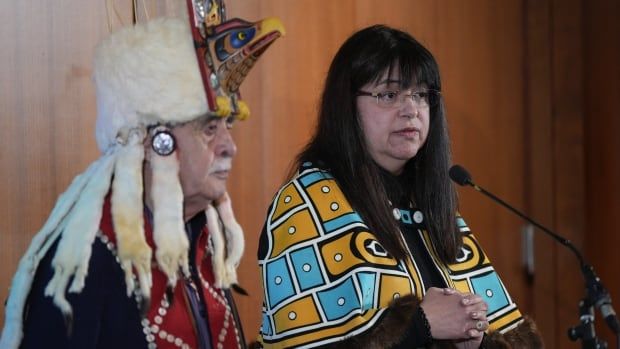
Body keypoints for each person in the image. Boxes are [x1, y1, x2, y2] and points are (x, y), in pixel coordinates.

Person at [0, 1, 283, 348]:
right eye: (209, 128)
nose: (230, 146)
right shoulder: (85, 261)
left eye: (228, 125)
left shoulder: (203, 239)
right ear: (156, 142)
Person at [256, 25, 542, 348]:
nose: (411, 110)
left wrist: (476, 342)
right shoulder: (304, 205)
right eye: (389, 95)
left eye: (421, 95)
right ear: (346, 104)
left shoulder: (428, 203)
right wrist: (421, 325)